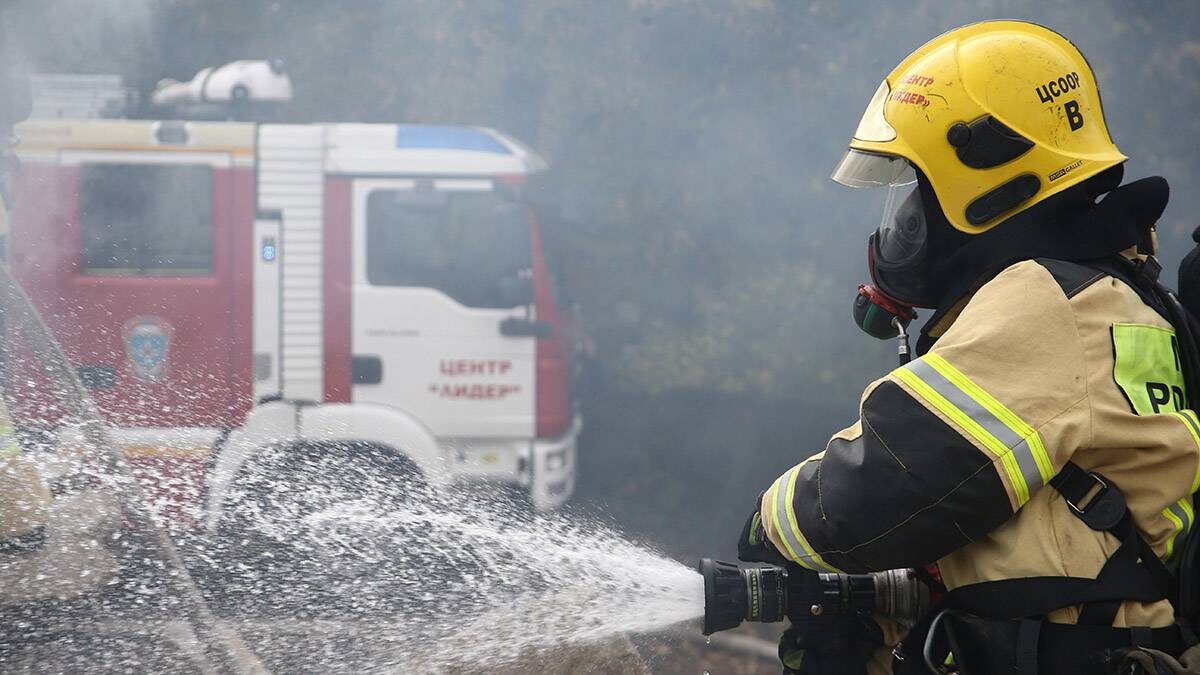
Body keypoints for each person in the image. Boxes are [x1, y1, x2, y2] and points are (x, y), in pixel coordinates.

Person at [738, 20, 1200, 675]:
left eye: (917, 197)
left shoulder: (1049, 301)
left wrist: (773, 524)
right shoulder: (1115, 295)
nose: (902, 227)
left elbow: (891, 479)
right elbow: (1031, 550)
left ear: (992, 178)